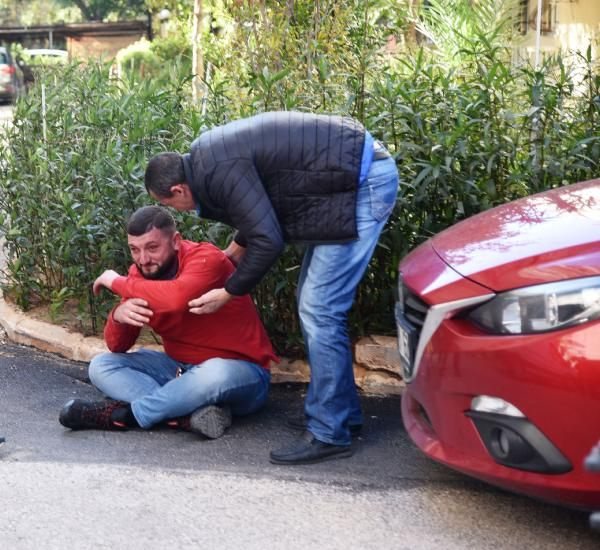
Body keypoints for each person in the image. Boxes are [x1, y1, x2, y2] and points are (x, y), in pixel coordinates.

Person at [144, 111, 399, 464]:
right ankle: (340, 411)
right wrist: (232, 252)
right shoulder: (207, 159)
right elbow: (262, 201)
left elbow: (268, 239)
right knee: (313, 304)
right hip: (345, 176)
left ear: (178, 189)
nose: (176, 211)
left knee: (320, 308)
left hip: (362, 181)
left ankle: (330, 431)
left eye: (169, 204)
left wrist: (229, 292)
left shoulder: (216, 170)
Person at [58, 206, 276, 439]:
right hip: (180, 369)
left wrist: (115, 282)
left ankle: (126, 415)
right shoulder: (138, 278)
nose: (143, 259)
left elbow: (176, 298)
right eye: (134, 250)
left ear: (175, 241)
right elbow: (117, 345)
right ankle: (185, 413)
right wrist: (118, 315)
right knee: (102, 366)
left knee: (215, 373)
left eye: (152, 248)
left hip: (242, 374)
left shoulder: (206, 258)